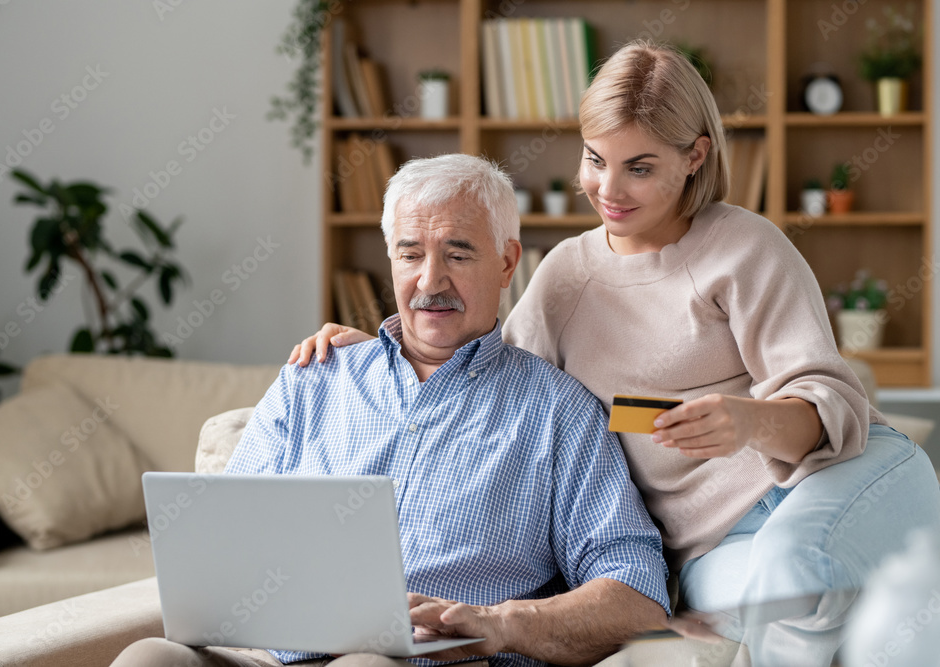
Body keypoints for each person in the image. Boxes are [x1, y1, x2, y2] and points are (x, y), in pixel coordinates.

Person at [290, 42, 940, 665]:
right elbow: (486, 371)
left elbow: (832, 400)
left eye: (640, 167)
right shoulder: (565, 276)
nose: (609, 189)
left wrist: (747, 420)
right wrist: (382, 348)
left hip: (835, 475)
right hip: (713, 545)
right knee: (779, 610)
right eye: (596, 159)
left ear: (694, 157)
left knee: (797, 569)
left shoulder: (745, 247)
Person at [112, 154, 670, 667]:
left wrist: (500, 624)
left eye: (458, 253)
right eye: (410, 254)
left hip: (430, 662)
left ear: (506, 263)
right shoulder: (313, 380)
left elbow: (639, 599)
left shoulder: (558, 412)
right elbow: (223, 547)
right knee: (149, 659)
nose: (430, 281)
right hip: (279, 658)